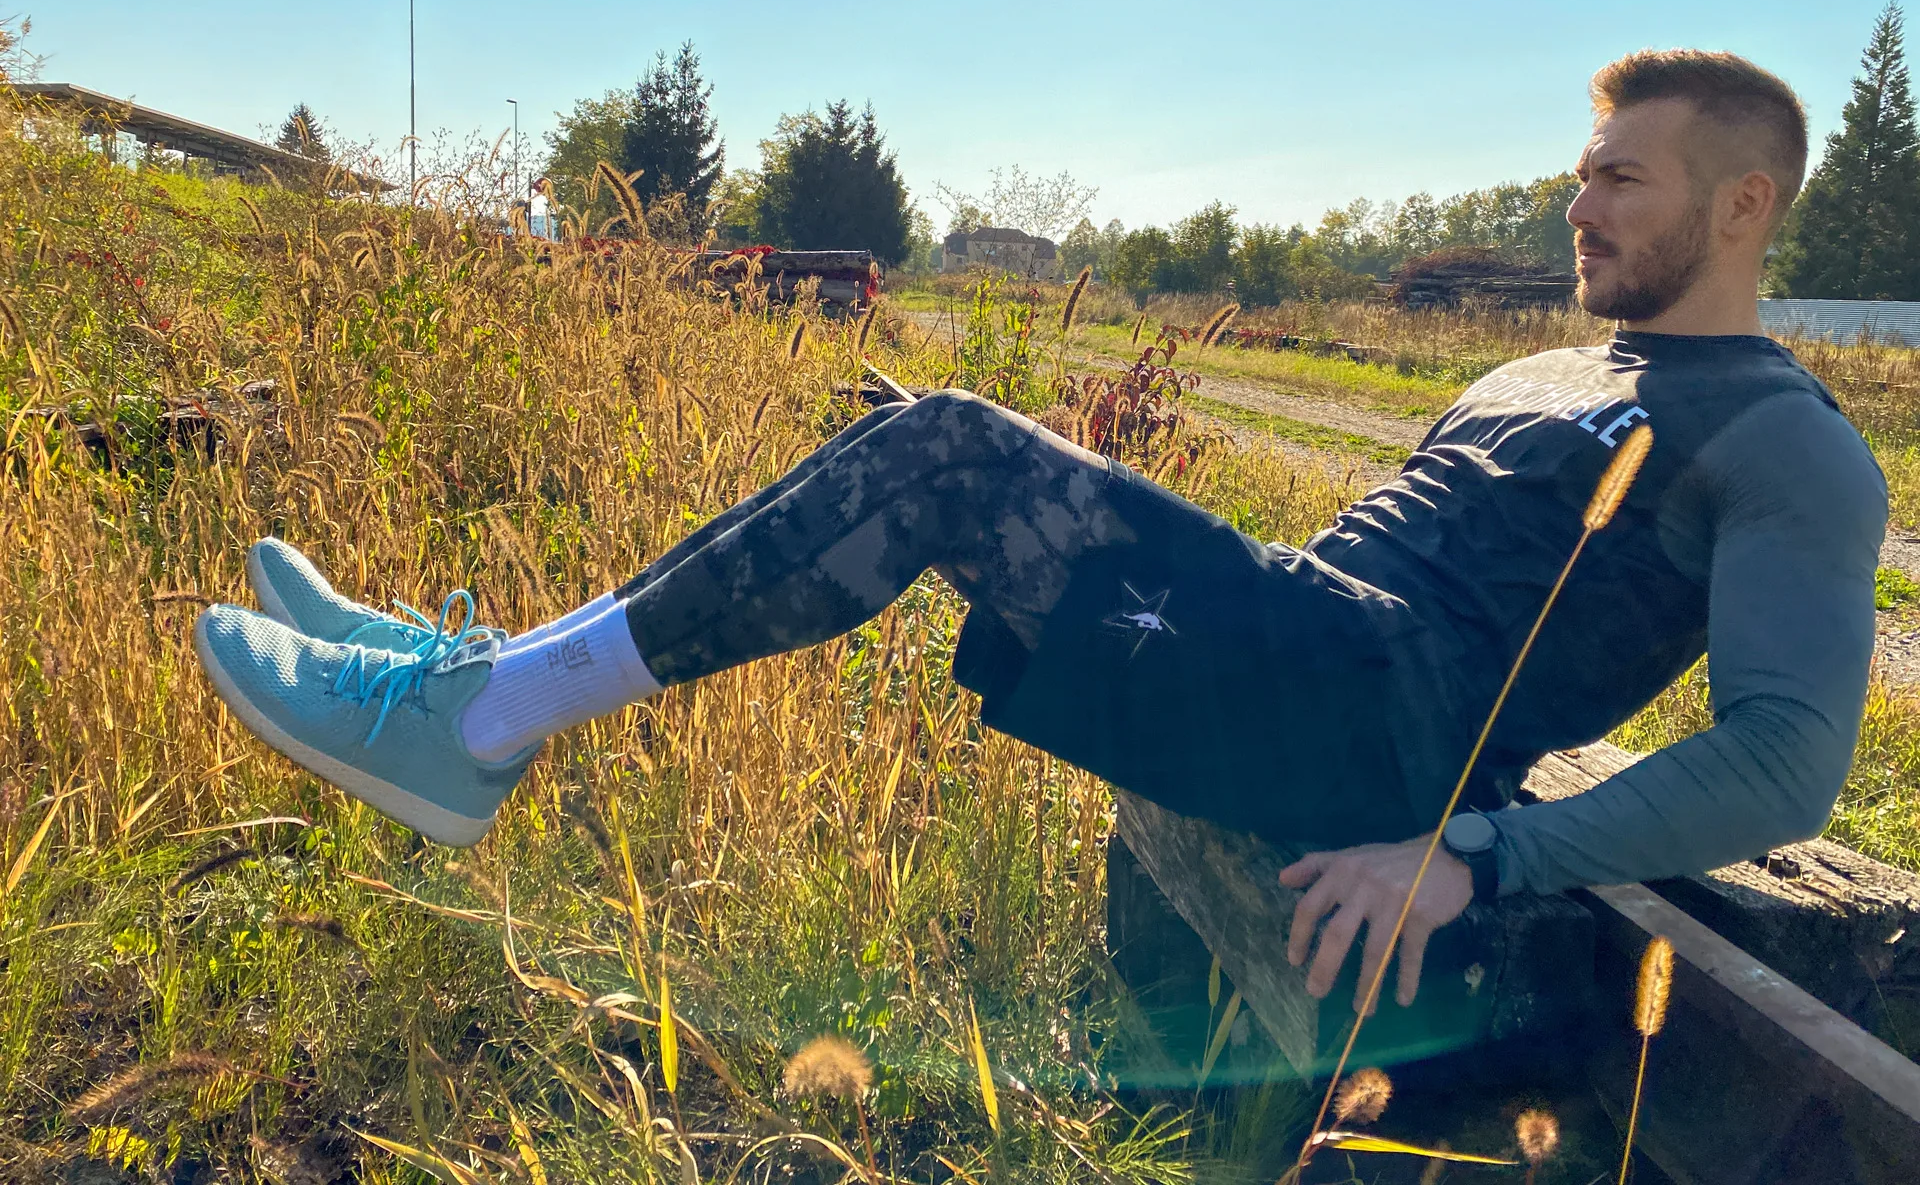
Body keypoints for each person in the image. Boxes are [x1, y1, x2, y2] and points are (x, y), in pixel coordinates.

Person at [193, 50, 1885, 1012]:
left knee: (941, 451)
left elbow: (1792, 759)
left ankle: (472, 729)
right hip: (1310, 641)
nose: (1578, 207)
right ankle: (481, 678)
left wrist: (1471, 856)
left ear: (1744, 207)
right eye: (1581, 174)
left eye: (1624, 184)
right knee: (898, 436)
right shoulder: (1544, 362)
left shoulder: (1787, 442)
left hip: (1390, 740)